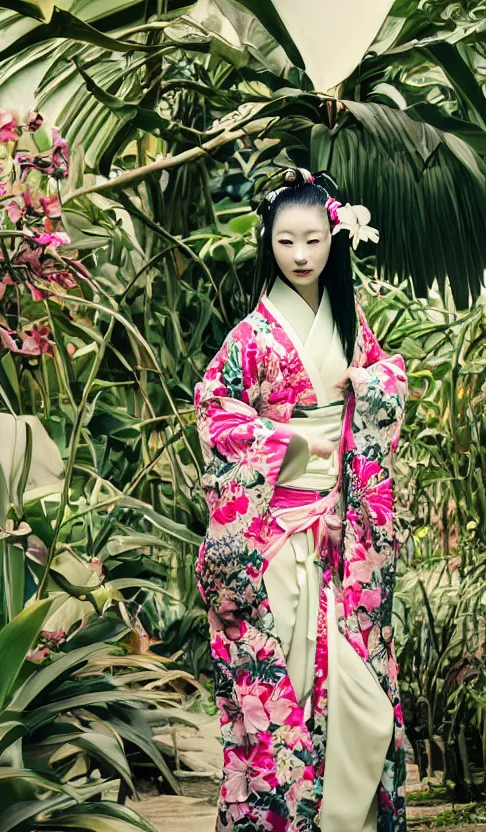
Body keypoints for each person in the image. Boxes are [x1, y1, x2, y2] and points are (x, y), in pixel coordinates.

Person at [194, 168, 409, 832]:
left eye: (314, 240)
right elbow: (216, 411)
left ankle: (348, 821)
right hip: (277, 540)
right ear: (270, 242)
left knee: (361, 698)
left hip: (342, 533)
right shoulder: (251, 337)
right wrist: (284, 440)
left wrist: (367, 384)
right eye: (286, 242)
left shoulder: (350, 323)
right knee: (286, 685)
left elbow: (388, 378)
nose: (301, 255)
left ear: (333, 240)